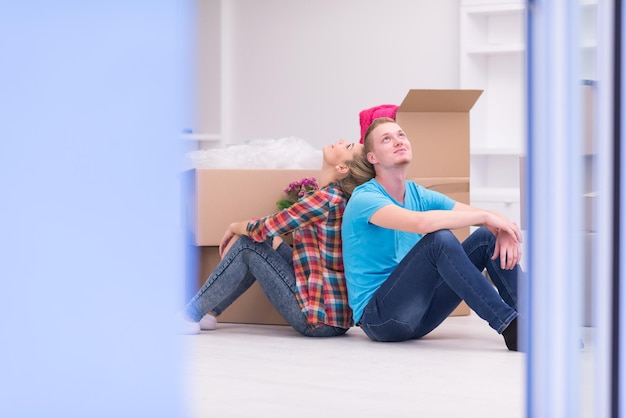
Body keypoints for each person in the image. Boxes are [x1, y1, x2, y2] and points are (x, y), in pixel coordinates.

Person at [341, 117, 523, 351]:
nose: (398, 141)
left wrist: (502, 228)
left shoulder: (417, 194)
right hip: (381, 318)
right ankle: (511, 327)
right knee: (439, 239)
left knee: (486, 239)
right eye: (386, 139)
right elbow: (422, 223)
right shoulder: (365, 198)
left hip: (421, 313)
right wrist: (488, 219)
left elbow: (478, 213)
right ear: (372, 158)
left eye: (401, 135)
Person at [179, 139, 364, 337]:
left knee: (247, 246)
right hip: (331, 315)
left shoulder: (327, 198)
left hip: (319, 319)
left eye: (348, 146)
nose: (343, 141)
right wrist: (272, 241)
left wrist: (235, 227)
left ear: (342, 167)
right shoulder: (333, 196)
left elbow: (269, 226)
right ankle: (209, 311)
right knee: (259, 241)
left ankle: (189, 315)